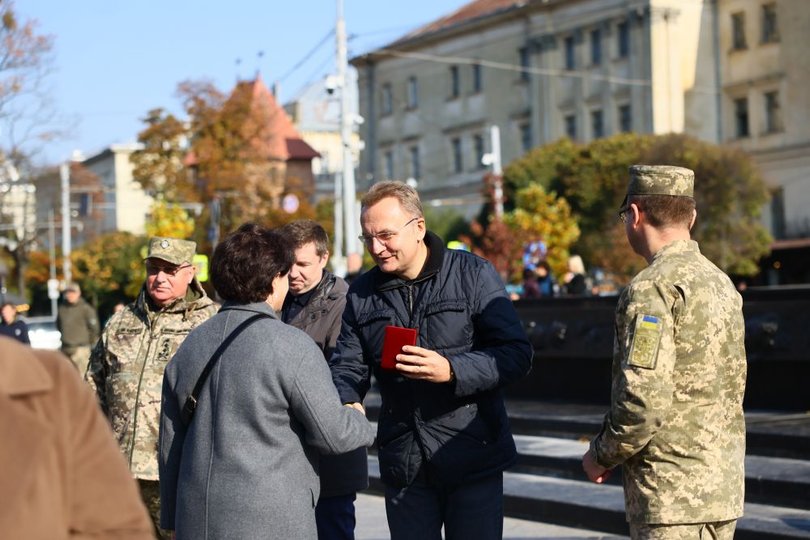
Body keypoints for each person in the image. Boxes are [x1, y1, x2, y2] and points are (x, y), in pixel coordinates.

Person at [329, 181, 533, 540]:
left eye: (386, 235)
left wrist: (453, 370)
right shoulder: (361, 293)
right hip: (404, 465)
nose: (377, 248)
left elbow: (516, 354)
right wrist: (347, 400)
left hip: (471, 457)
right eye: (368, 238)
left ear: (418, 227)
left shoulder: (472, 275)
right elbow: (347, 365)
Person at [159, 223, 375, 539]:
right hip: (270, 517)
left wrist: (173, 518)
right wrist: (358, 420)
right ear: (274, 279)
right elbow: (333, 435)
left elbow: (170, 444)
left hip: (198, 517)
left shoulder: (191, 345)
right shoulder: (290, 345)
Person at [581, 165, 746, 539]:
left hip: (669, 497)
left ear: (635, 215)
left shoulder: (652, 289)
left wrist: (601, 454)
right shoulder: (721, 283)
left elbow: (643, 400)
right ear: (692, 216)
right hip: (721, 488)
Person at [87, 237, 217, 539]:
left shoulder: (208, 324)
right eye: (154, 269)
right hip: (120, 472)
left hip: (175, 472)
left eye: (169, 270)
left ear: (190, 273)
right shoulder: (120, 322)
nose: (159, 278)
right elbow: (92, 389)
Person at [0, 336, 154, 538]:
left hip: (159, 465)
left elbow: (117, 528)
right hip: (129, 457)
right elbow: (95, 382)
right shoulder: (118, 327)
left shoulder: (53, 387)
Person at [280, 219, 368, 540]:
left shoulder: (346, 303)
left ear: (323, 257)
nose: (293, 273)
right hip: (290, 451)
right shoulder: (277, 299)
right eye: (287, 264)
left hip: (331, 454)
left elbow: (341, 373)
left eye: (303, 264)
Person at [57, 281, 100, 375]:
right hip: (65, 349)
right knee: (66, 378)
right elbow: (59, 325)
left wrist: (88, 343)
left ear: (78, 293)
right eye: (67, 292)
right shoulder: (62, 309)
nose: (70, 295)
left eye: (72, 292)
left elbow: (94, 329)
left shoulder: (86, 309)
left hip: (81, 350)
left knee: (83, 379)